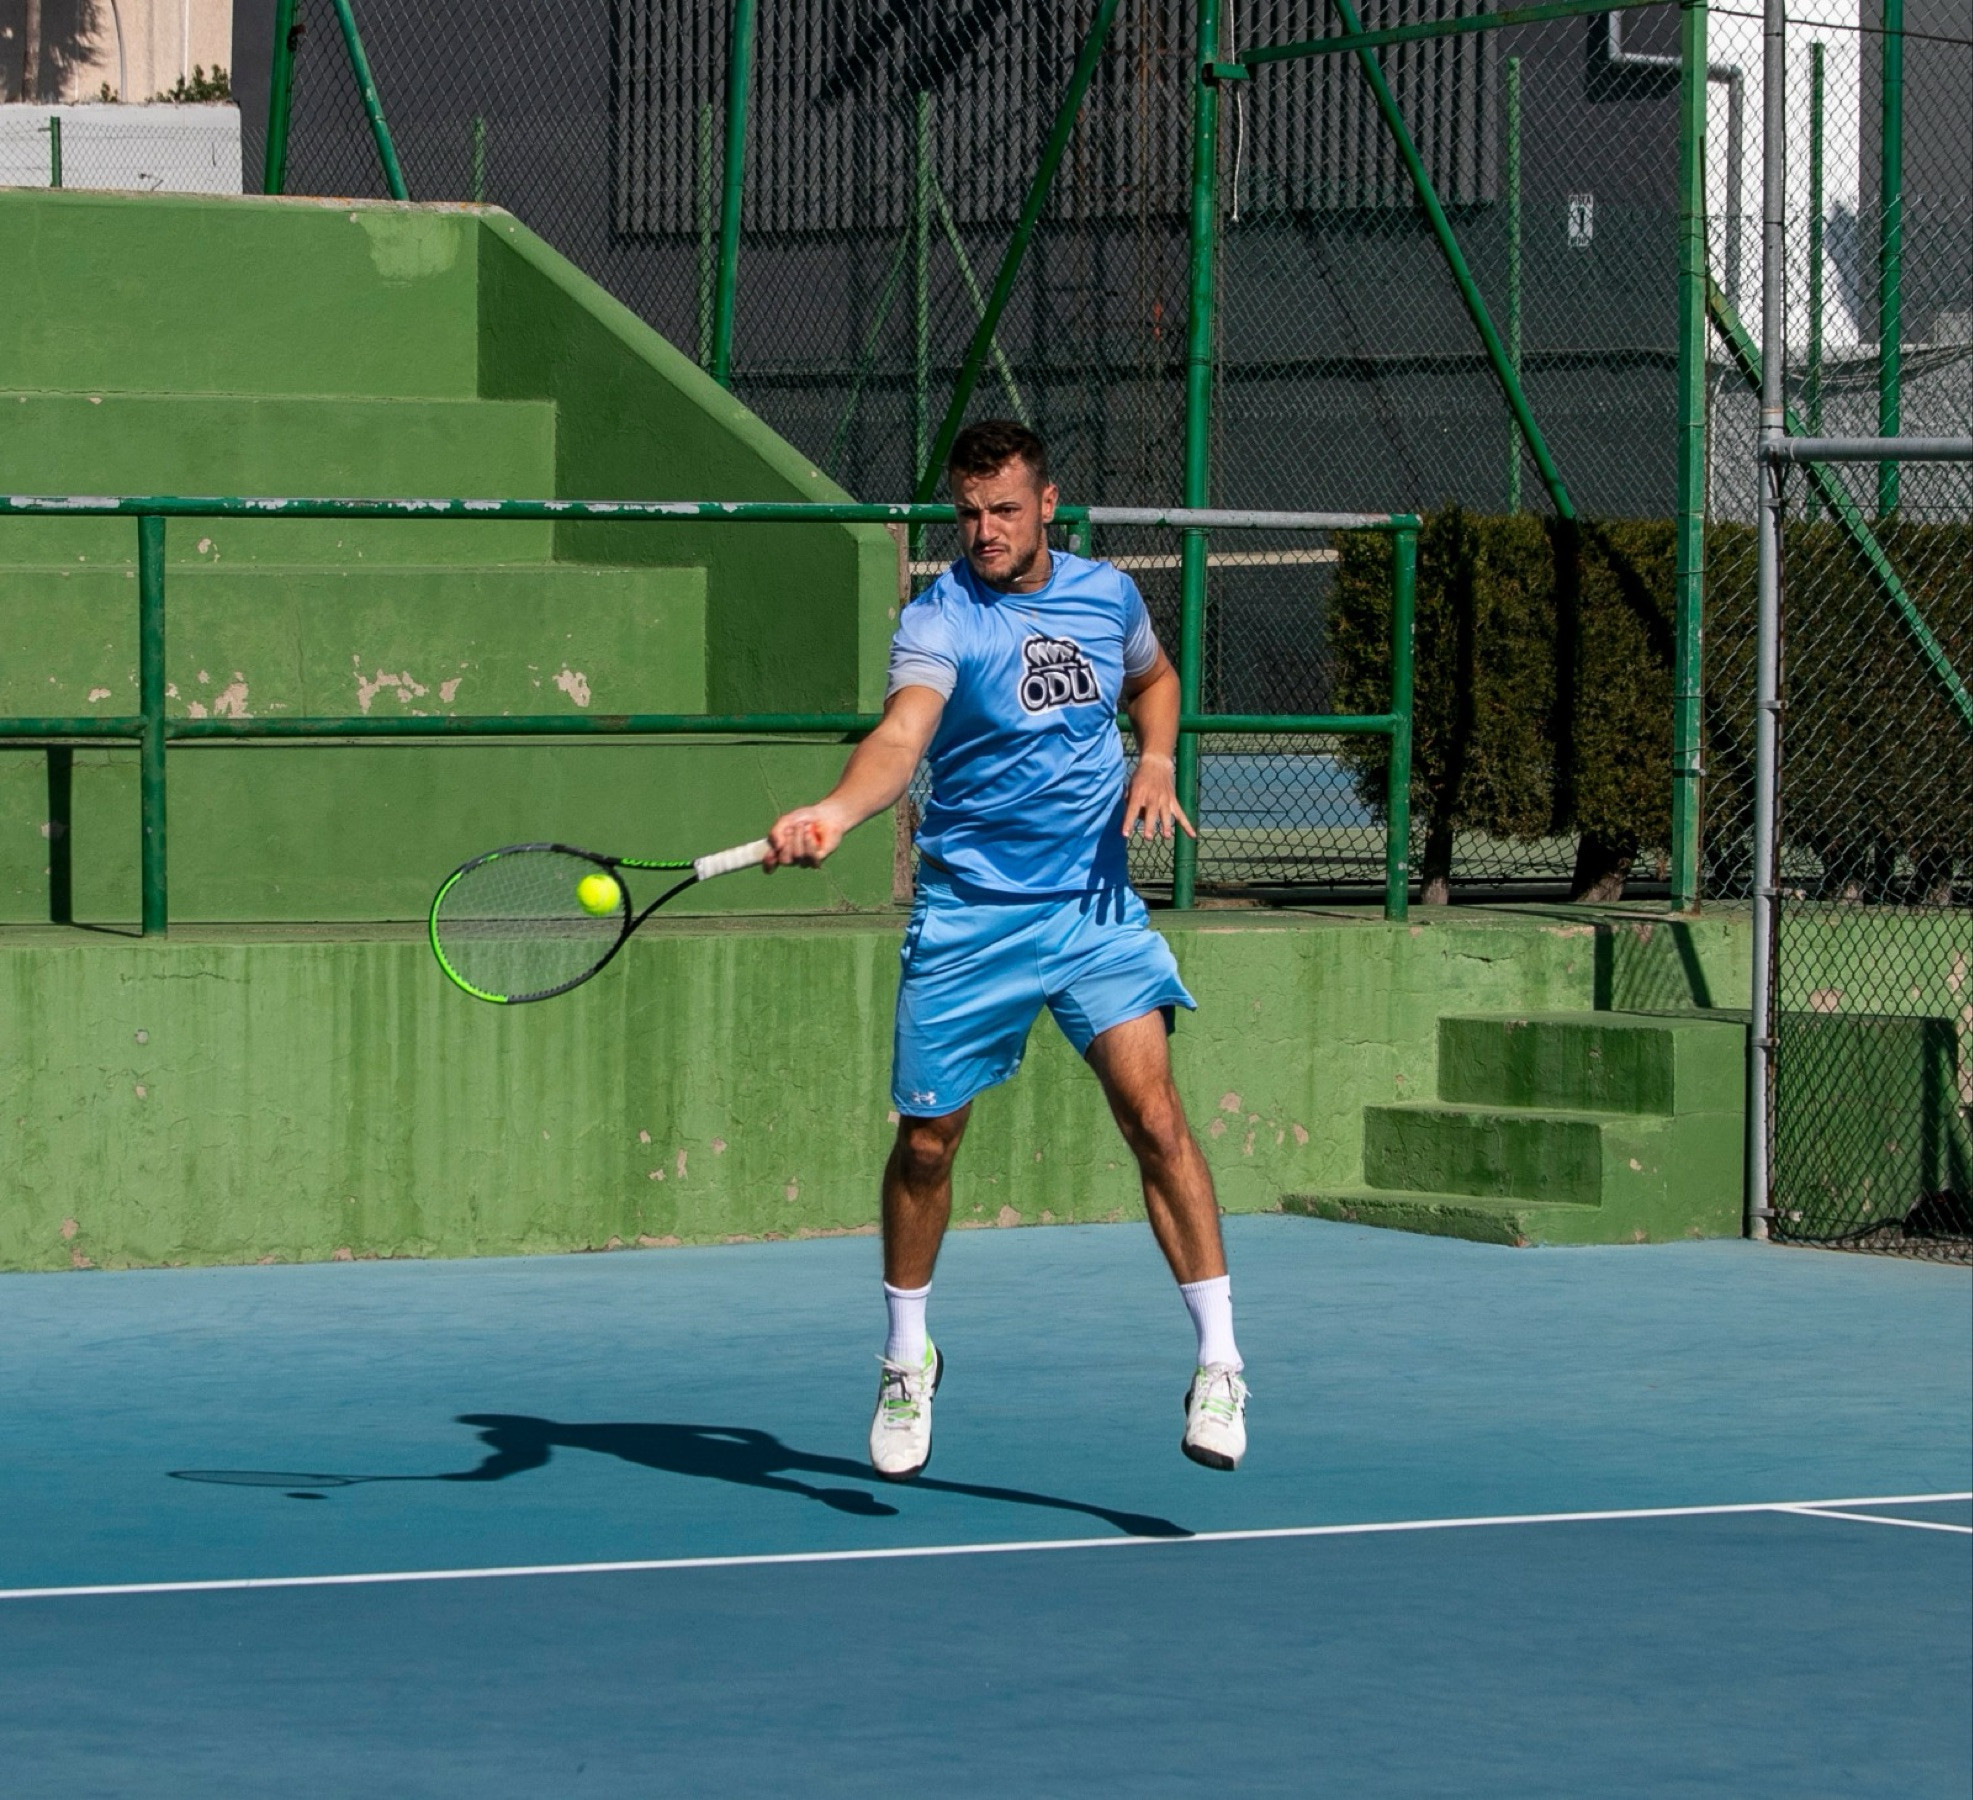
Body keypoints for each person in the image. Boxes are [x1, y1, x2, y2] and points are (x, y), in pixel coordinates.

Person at [764, 420, 1247, 1481]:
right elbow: (903, 736)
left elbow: (1153, 680)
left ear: (1047, 506)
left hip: (1090, 911)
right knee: (927, 1145)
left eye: (1004, 511)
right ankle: (906, 1358)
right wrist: (838, 811)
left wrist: (1156, 759)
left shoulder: (1106, 595)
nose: (983, 530)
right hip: (970, 919)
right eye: (968, 513)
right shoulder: (938, 619)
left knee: (1154, 1115)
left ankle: (1219, 1361)